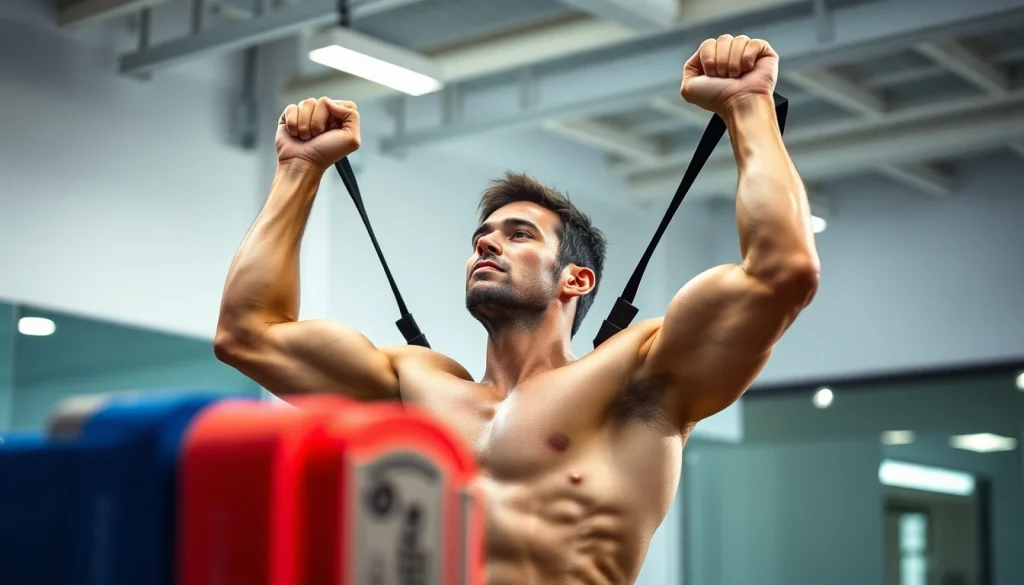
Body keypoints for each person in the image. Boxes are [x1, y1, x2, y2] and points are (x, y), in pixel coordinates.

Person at [214, 34, 819, 585]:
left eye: (519, 234)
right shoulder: (412, 385)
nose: (487, 242)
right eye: (483, 235)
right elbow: (248, 334)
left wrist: (747, 106)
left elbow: (781, 271)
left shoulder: (637, 378)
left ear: (575, 280)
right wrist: (297, 170)